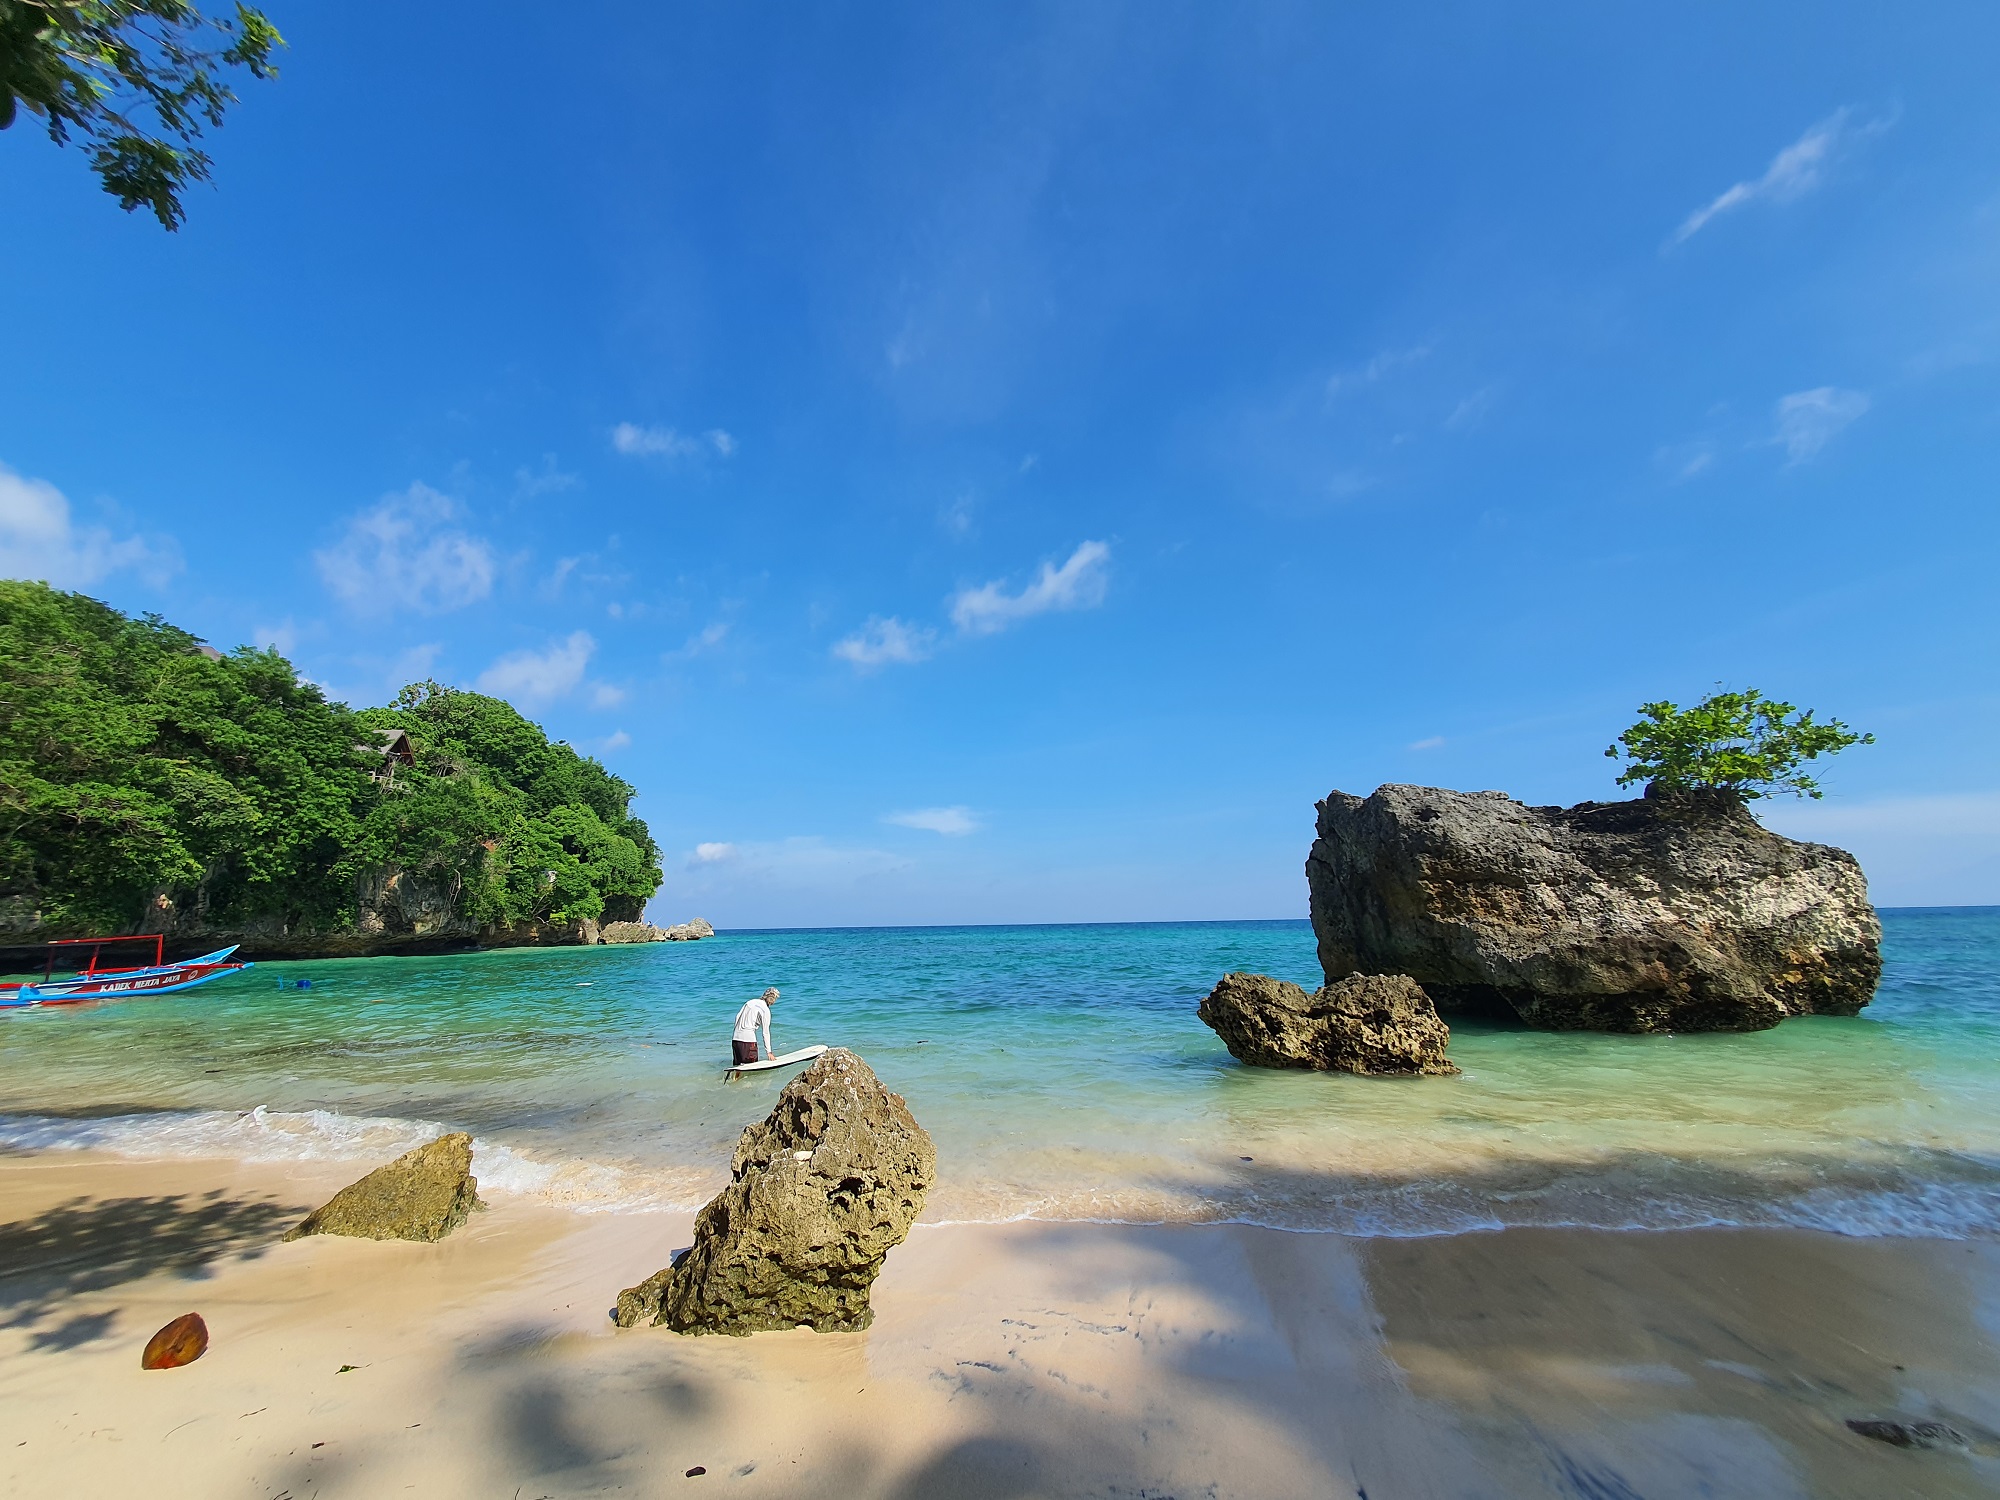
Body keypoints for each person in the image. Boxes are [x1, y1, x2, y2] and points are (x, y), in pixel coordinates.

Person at [732, 987, 778, 1065]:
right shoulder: (765, 1010)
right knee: (751, 1067)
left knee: (738, 1067)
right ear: (773, 1000)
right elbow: (765, 1032)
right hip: (748, 1041)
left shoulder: (750, 1002)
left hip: (735, 1040)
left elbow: (737, 1017)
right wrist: (769, 1052)